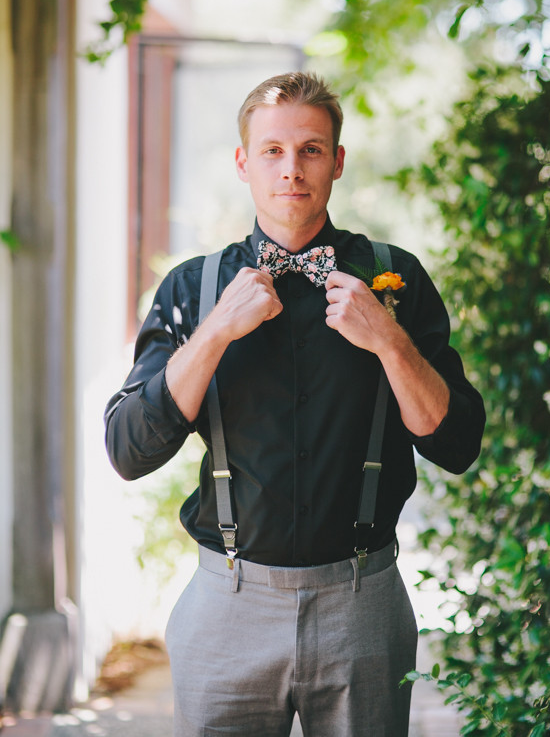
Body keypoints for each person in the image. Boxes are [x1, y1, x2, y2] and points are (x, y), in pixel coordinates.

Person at [104, 71, 485, 737]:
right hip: (227, 605)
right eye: (273, 151)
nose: (291, 170)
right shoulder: (195, 289)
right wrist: (216, 329)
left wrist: (389, 342)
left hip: (363, 605)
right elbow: (129, 448)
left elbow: (456, 444)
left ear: (337, 161)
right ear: (244, 162)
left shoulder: (395, 281)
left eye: (311, 149)